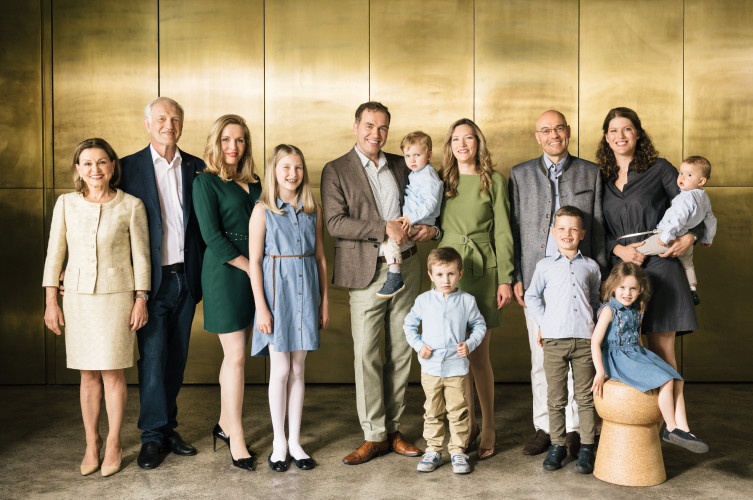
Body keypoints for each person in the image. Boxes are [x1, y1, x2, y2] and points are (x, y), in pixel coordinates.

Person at [321, 101, 436, 465]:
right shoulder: (336, 169)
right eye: (369, 126)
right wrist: (381, 227)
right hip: (365, 272)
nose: (376, 134)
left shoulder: (405, 164)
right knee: (367, 355)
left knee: (403, 352)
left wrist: (434, 229)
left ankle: (392, 429)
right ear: (355, 126)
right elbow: (335, 223)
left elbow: (429, 203)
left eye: (383, 128)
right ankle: (373, 435)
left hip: (409, 266)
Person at [43, 138, 150, 477]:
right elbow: (54, 255)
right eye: (87, 163)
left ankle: (115, 441)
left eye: (102, 162)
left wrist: (141, 299)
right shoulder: (65, 204)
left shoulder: (131, 205)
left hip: (117, 298)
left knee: (113, 374)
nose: (95, 169)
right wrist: (50, 301)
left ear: (113, 166)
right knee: (87, 375)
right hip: (76, 298)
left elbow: (142, 257)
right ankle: (92, 441)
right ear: (78, 169)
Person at [597, 107, 701, 432]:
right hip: (621, 272)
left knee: (662, 353)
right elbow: (595, 228)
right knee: (623, 349)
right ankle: (634, 425)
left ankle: (678, 428)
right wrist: (618, 249)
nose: (620, 136)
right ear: (606, 138)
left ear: (638, 133)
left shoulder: (659, 168)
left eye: (627, 129)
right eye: (613, 131)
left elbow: (694, 202)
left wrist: (691, 236)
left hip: (661, 265)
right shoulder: (599, 177)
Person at [510, 110, 607, 457]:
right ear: (538, 136)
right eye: (546, 130)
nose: (553, 135)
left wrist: (601, 283)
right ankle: (546, 427)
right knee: (542, 358)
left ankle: (577, 432)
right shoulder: (519, 174)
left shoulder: (590, 172)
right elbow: (514, 228)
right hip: (539, 280)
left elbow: (597, 229)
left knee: (580, 360)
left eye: (559, 128)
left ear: (568, 132)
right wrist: (516, 276)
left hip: (580, 282)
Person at [120, 97, 206, 470]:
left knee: (176, 360)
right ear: (147, 123)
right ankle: (152, 437)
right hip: (149, 283)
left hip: (186, 278)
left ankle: (168, 427)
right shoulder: (126, 168)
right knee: (152, 360)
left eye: (174, 118)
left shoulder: (197, 167)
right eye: (161, 118)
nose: (168, 124)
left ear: (181, 125)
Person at [437, 118, 514, 459]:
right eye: (456, 138)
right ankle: (464, 428)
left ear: (478, 143)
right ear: (450, 145)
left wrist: (505, 278)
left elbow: (503, 232)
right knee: (457, 355)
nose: (463, 144)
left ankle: (490, 425)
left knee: (479, 356)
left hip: (484, 269)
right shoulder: (442, 181)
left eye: (469, 138)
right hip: (449, 271)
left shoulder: (494, 180)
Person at [249, 144, 329, 472]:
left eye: (297, 168)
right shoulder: (263, 210)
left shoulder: (313, 209)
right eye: (285, 167)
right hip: (276, 295)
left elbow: (321, 258)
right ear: (274, 171)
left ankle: (295, 441)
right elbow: (254, 262)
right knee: (280, 370)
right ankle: (278, 441)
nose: (292, 174)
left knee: (298, 369)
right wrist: (262, 308)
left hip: (306, 293)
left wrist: (324, 302)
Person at [192, 114, 261, 471]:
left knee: (236, 356)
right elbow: (212, 236)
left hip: (255, 274)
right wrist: (251, 268)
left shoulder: (255, 182)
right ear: (216, 143)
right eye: (226, 140)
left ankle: (223, 423)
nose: (233, 147)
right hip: (226, 273)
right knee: (234, 355)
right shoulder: (205, 183)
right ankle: (236, 435)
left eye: (240, 140)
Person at [591, 262, 709, 453]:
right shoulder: (608, 310)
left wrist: (647, 361)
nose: (627, 293)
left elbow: (637, 338)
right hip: (617, 358)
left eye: (633, 288)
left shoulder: (638, 308)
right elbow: (595, 342)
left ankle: (684, 429)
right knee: (667, 380)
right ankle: (671, 429)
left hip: (635, 354)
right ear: (613, 287)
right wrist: (599, 371)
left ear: (640, 290)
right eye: (622, 287)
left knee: (677, 378)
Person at [524, 206, 601, 474]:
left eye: (573, 229)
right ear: (553, 233)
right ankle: (557, 445)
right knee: (555, 398)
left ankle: (587, 448)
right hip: (554, 341)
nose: (567, 233)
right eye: (562, 228)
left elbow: (593, 300)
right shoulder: (544, 266)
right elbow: (531, 296)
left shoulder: (591, 266)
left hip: (584, 341)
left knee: (585, 397)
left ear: (581, 233)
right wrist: (544, 323)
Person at [404, 247, 486, 475]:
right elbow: (409, 325)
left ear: (460, 273)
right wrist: (420, 346)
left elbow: (479, 326)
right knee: (432, 410)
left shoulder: (467, 301)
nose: (445, 280)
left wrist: (469, 344)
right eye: (439, 275)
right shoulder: (423, 300)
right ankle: (433, 449)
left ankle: (458, 451)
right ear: (431, 275)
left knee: (458, 410)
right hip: (430, 368)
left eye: (450, 274)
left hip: (457, 368)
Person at [633, 155, 717, 305]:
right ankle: (692, 290)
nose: (682, 177)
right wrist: (707, 238)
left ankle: (633, 289)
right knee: (688, 265)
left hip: (670, 237)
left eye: (689, 175)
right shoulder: (704, 197)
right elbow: (711, 219)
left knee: (637, 253)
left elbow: (678, 220)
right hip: (686, 242)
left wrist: (665, 238)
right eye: (680, 173)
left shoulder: (684, 198)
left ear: (701, 181)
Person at [376, 131, 443, 298]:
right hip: (411, 219)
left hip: (418, 221)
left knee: (391, 239)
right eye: (407, 156)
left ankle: (395, 275)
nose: (412, 160)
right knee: (390, 239)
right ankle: (395, 272)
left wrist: (410, 218)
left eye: (417, 155)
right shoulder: (416, 172)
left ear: (429, 155)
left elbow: (430, 203)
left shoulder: (428, 175)